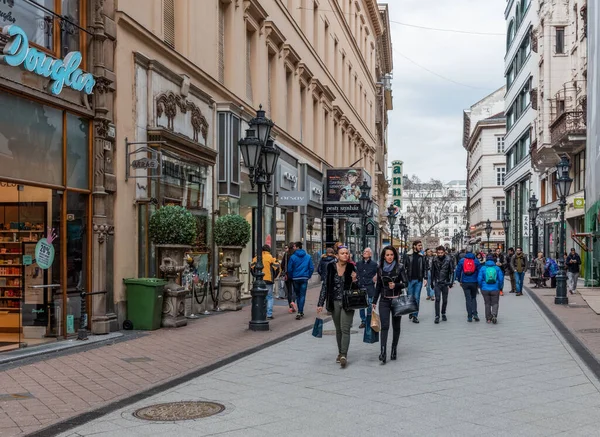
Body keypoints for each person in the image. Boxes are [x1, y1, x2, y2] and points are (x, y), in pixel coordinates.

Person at [317, 245, 358, 368]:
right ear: (336, 256)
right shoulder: (330, 267)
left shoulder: (352, 267)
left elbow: (357, 288)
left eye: (347, 253)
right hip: (334, 302)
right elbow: (325, 286)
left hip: (347, 302)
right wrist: (320, 303)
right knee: (338, 330)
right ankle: (340, 353)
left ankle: (343, 354)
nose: (345, 255)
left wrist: (355, 280)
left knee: (345, 328)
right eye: (342, 253)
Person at [372, 245, 406, 364]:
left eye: (391, 255)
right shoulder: (380, 268)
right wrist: (374, 301)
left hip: (397, 300)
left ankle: (394, 349)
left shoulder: (400, 267)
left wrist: (396, 285)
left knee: (396, 327)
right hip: (384, 301)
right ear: (384, 256)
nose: (390, 257)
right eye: (387, 255)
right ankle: (383, 352)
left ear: (394, 255)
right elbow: (379, 286)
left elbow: (405, 283)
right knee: (385, 326)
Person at [287, 241, 314, 320]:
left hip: (295, 278)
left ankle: (299, 311)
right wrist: (308, 276)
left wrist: (292, 276)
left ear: (297, 247)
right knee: (302, 295)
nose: (293, 247)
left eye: (294, 246)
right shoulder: (308, 256)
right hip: (304, 278)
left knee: (298, 295)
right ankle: (300, 311)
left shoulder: (293, 257)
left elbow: (289, 269)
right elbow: (311, 268)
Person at [250, 245, 280, 320]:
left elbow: (251, 267)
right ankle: (269, 314)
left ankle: (260, 312)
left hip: (259, 279)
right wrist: (274, 277)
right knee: (269, 297)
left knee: (259, 297)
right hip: (269, 280)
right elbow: (277, 267)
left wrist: (255, 275)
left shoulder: (256, 258)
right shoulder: (271, 258)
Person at [454, 246, 481, 322]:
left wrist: (459, 280)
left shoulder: (462, 260)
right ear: (472, 251)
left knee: (467, 299)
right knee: (473, 298)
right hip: (474, 281)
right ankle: (475, 314)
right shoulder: (476, 260)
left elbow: (458, 271)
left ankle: (469, 316)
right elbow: (480, 272)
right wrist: (479, 281)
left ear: (466, 251)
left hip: (465, 282)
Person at [403, 240, 427, 324]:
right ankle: (411, 312)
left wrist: (426, 278)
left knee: (416, 298)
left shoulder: (422, 256)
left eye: (421, 245)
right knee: (410, 298)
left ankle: (415, 316)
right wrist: (403, 279)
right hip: (409, 280)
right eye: (419, 245)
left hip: (418, 280)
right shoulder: (407, 255)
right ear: (414, 246)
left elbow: (425, 268)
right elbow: (403, 268)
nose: (421, 247)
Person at [478, 254, 504, 324]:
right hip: (495, 288)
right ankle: (494, 315)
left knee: (487, 303)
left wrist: (480, 286)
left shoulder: (483, 268)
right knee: (495, 302)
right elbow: (501, 279)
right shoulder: (497, 268)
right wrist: (500, 287)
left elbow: (479, 279)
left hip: (485, 288)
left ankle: (488, 318)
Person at [431, 245, 454, 324]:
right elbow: (432, 272)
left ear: (444, 252)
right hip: (437, 282)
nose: (440, 254)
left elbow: (451, 271)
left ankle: (443, 313)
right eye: (439, 253)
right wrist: (431, 282)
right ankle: (437, 316)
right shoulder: (434, 260)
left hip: (445, 282)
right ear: (437, 253)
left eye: (441, 253)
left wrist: (450, 282)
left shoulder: (449, 259)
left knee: (445, 300)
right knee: (437, 299)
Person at [357, 248, 378, 329]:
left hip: (370, 287)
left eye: (367, 252)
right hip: (361, 286)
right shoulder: (358, 263)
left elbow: (378, 273)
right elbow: (356, 273)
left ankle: (369, 320)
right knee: (361, 306)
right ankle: (363, 321)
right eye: (364, 251)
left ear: (370, 254)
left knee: (369, 305)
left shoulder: (374, 264)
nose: (365, 253)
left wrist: (375, 278)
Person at [280, 242, 297, 312]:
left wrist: (284, 271)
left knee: (289, 291)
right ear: (293, 247)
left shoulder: (286, 254)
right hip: (295, 274)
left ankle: (290, 306)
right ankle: (293, 301)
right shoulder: (295, 254)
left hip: (287, 274)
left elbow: (282, 264)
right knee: (295, 290)